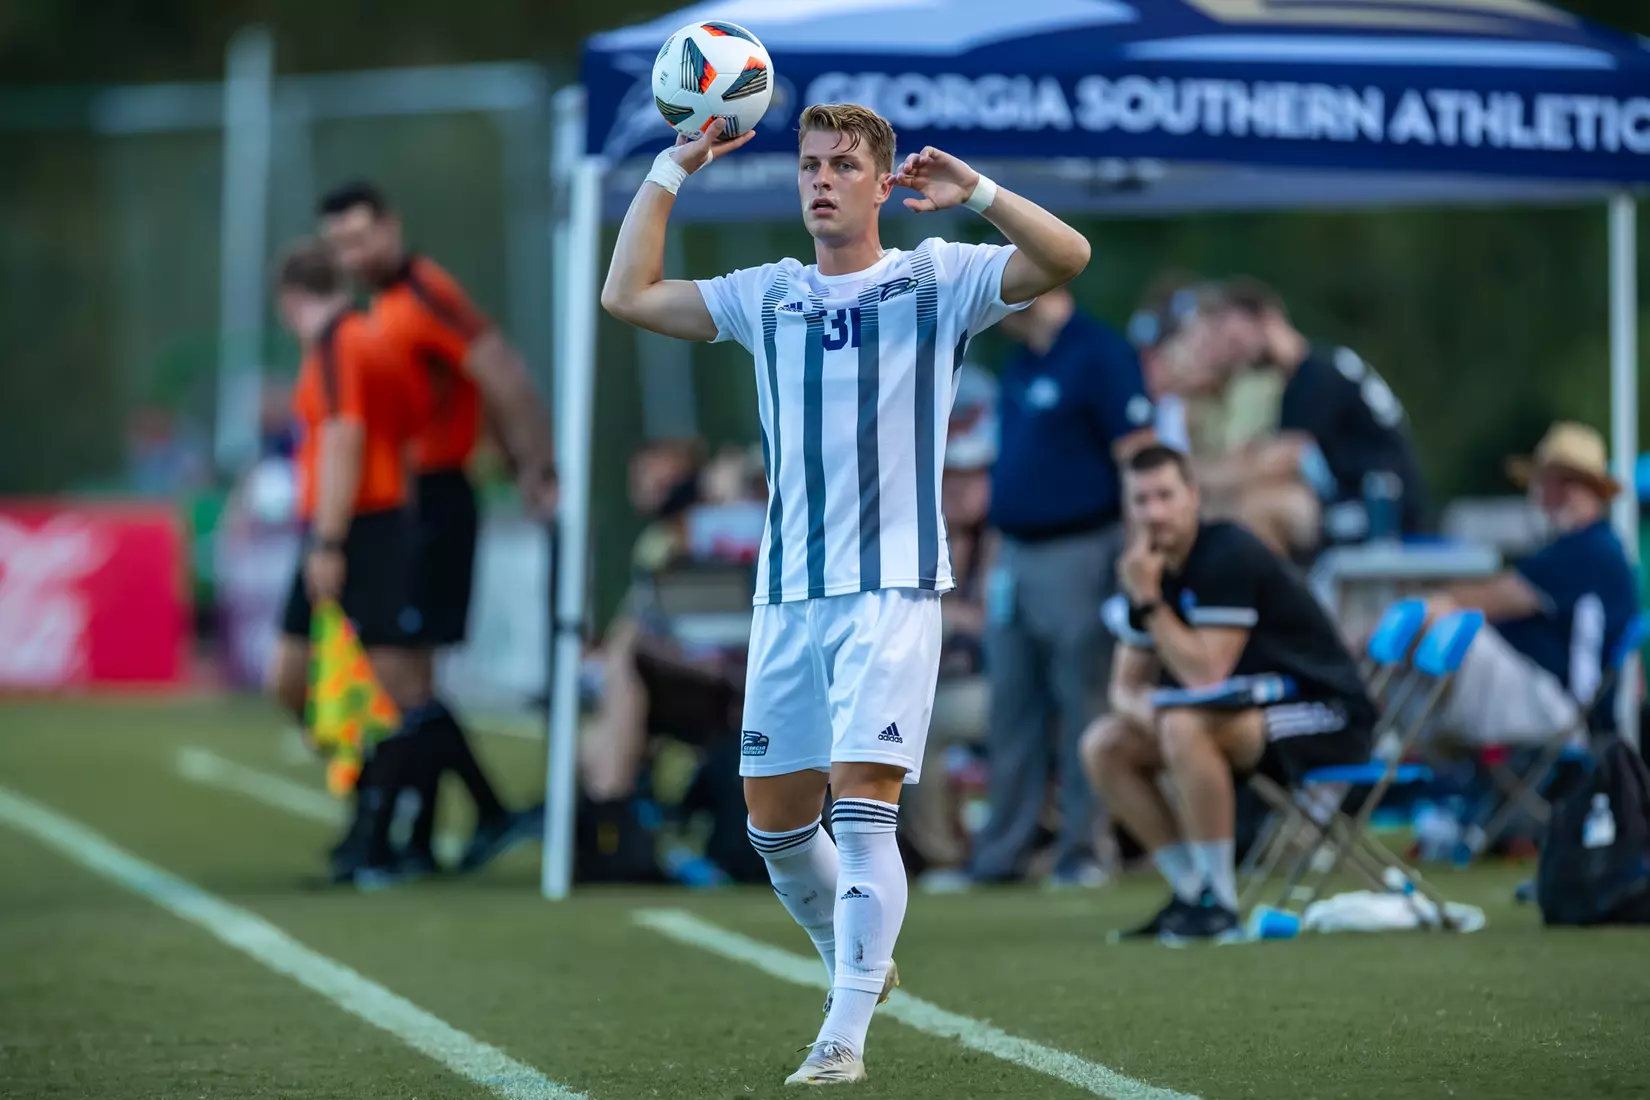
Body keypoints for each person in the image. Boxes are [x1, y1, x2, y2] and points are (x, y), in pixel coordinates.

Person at [601, 104, 1089, 1085]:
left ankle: (844, 1031)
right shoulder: (765, 294)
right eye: (809, 165)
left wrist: (980, 193)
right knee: (776, 829)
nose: (820, 180)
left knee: (863, 807)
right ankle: (859, 966)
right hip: (787, 598)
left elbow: (1066, 254)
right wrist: (673, 165)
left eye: (841, 166)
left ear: (881, 183)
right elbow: (628, 294)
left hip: (891, 592)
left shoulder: (935, 276)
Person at [317, 182, 551, 873]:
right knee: (410, 672)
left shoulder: (423, 292)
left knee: (406, 674)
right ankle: (420, 837)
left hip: (435, 500)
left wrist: (534, 464)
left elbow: (501, 370)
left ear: (392, 226)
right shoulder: (385, 304)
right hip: (413, 500)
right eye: (338, 245)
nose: (352, 255)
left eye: (361, 238)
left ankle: (473, 815)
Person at [1082, 445, 1375, 942]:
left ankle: (1220, 903)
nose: (1154, 512)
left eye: (1165, 496)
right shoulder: (1149, 567)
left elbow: (1205, 676)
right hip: (1237, 721)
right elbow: (1123, 689)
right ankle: (1192, 891)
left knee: (1183, 724)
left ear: (1193, 496)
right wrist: (1154, 723)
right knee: (1104, 744)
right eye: (1141, 500)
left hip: (1326, 714)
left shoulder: (1226, 553)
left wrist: (1149, 600)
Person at [968, 285, 1155, 888]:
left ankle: (1084, 852)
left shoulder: (1100, 352)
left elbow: (1137, 456)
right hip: (1017, 556)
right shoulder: (1022, 363)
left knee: (1084, 703)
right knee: (1010, 709)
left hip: (1081, 550)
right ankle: (1001, 856)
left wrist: (1137, 551)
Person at [263, 240, 427, 884]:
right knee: (303, 674)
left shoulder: (336, 341)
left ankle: (376, 831)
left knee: (379, 691)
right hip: (375, 521)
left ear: (289, 298)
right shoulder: (370, 336)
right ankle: (377, 815)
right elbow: (407, 422)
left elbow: (343, 434)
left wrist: (328, 540)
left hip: (357, 526)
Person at [1177, 277, 1428, 555]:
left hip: (1380, 510)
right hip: (1361, 500)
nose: (1239, 356)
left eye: (1237, 341)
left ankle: (1269, 596)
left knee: (1258, 510)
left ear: (1267, 319)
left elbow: (1276, 461)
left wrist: (1193, 478)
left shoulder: (1315, 377)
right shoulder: (1316, 371)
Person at [1428, 422, 1638, 743]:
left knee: (1447, 621)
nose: (1535, 498)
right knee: (1439, 624)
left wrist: (1434, 599)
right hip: (1558, 702)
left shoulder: (1585, 552)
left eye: (1541, 484)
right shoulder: (1590, 547)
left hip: (1567, 713)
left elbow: (1492, 599)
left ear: (1564, 487)